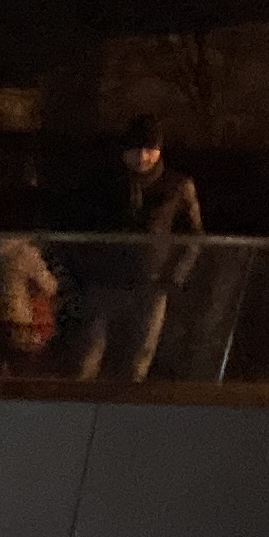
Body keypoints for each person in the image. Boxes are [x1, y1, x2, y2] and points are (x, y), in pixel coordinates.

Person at [67, 115, 204, 383]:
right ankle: (78, 409)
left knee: (139, 358)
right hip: (106, 281)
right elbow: (81, 229)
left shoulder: (178, 186)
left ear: (160, 149)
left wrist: (173, 278)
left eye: (150, 149)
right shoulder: (103, 184)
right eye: (136, 149)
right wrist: (86, 271)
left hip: (151, 285)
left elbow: (194, 238)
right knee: (87, 354)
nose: (143, 157)